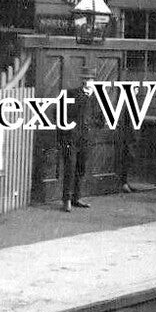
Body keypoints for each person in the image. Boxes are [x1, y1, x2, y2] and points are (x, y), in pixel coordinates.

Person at [59, 69, 101, 211]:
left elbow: (100, 117)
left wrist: (95, 126)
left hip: (86, 139)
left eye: (92, 79)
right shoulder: (71, 94)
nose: (89, 82)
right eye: (87, 79)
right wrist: (66, 131)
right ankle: (67, 200)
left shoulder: (96, 98)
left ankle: (77, 197)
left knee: (81, 169)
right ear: (82, 81)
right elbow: (58, 113)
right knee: (70, 168)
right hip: (71, 138)